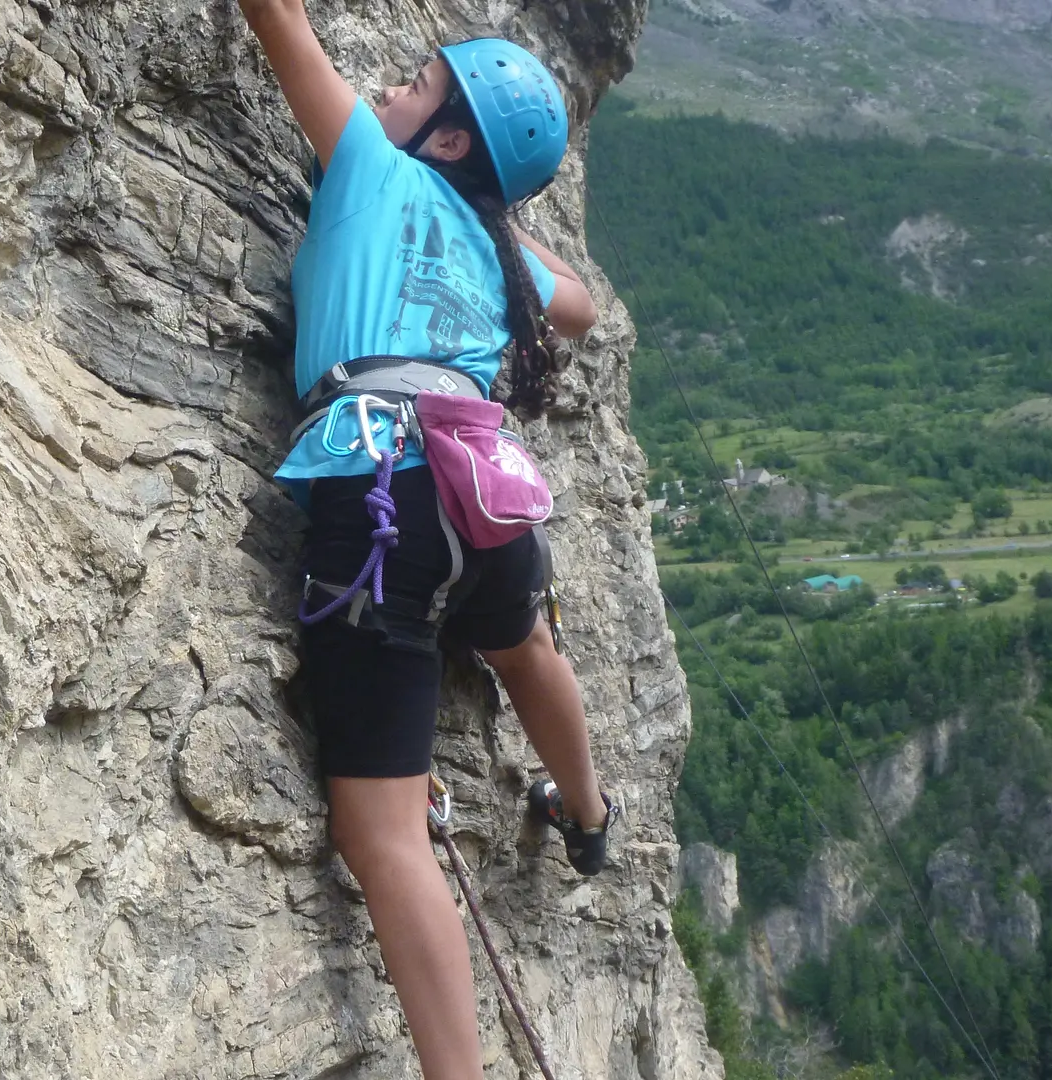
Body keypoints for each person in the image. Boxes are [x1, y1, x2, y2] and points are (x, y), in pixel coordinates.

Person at [238, 2, 617, 1076]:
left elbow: (276, 19)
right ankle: (588, 813)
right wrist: (487, 208)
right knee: (521, 642)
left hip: (381, 497)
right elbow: (581, 306)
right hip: (484, 490)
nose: (390, 89)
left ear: (447, 137)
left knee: (385, 835)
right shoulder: (497, 253)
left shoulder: (368, 160)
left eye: (415, 86)